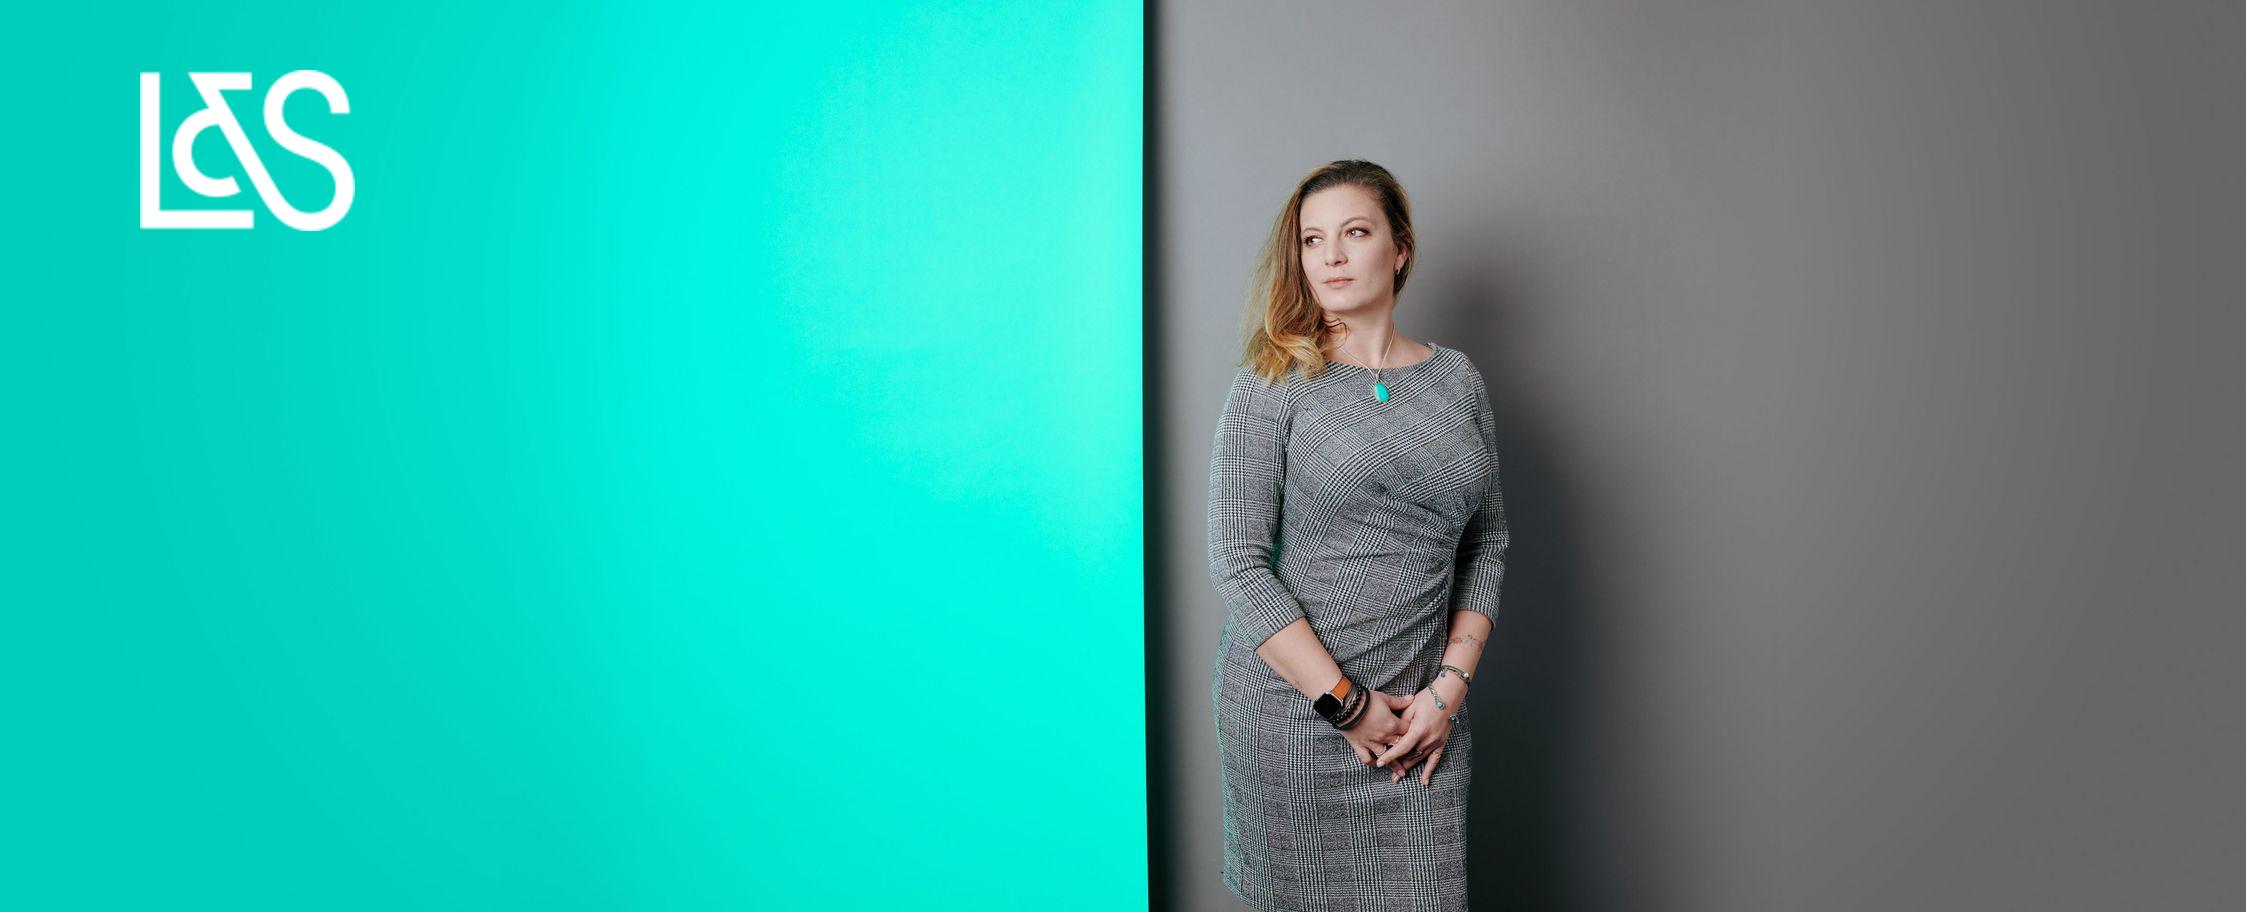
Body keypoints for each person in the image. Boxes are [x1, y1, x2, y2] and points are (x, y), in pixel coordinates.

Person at [1208, 159, 1509, 912]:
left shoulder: (1459, 381)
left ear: (1400, 249)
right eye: (1312, 240)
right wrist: (1345, 706)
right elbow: (1237, 563)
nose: (1331, 256)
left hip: (1422, 722)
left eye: (1355, 233)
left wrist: (1447, 692)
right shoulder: (1271, 383)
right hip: (1298, 718)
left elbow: (1488, 541)